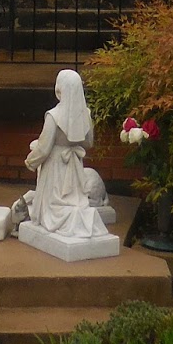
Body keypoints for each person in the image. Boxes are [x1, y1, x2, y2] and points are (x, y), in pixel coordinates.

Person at [24, 69, 108, 238]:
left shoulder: (53, 116)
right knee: (75, 200)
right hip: (75, 164)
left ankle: (57, 217)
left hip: (56, 166)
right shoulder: (86, 115)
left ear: (59, 88)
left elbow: (43, 148)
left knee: (56, 203)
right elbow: (88, 142)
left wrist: (30, 162)